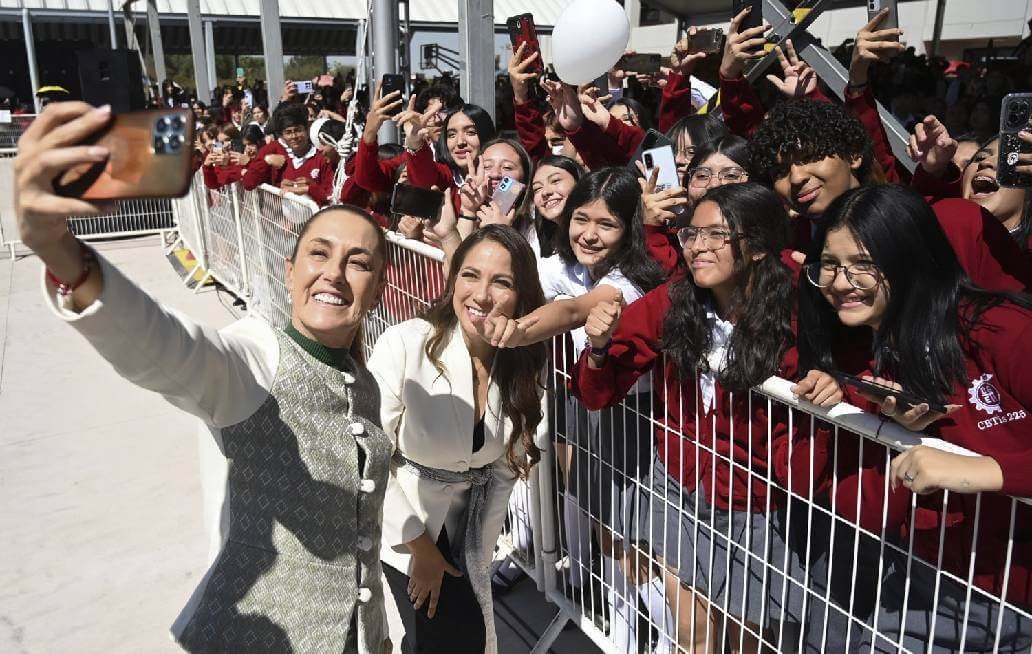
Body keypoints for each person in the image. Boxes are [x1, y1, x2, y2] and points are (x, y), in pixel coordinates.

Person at [14, 101, 395, 653]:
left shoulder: (364, 381)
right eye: (319, 253)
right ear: (289, 272)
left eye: (359, 262)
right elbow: (168, 348)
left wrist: (374, 636)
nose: (334, 272)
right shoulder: (254, 357)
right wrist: (64, 256)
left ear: (379, 288)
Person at [572, 182, 841, 653]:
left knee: (747, 641)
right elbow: (597, 392)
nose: (697, 247)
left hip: (758, 504)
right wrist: (597, 348)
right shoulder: (675, 299)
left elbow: (851, 372)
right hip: (679, 485)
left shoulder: (801, 308)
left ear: (756, 245)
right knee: (693, 636)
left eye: (715, 235)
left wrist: (836, 385)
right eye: (691, 234)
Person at [797, 184, 1032, 653]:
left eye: (863, 264)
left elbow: (972, 461)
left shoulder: (1001, 328)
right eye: (830, 264)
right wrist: (874, 417)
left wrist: (987, 471)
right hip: (930, 582)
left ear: (909, 257)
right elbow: (861, 506)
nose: (841, 282)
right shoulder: (882, 356)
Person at [369, 225, 548, 654]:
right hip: (408, 523)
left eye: (501, 282)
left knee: (458, 639)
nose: (481, 295)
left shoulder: (522, 364)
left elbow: (504, 468)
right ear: (453, 280)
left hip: (471, 532)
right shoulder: (408, 343)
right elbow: (370, 453)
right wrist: (421, 549)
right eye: (470, 275)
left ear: (522, 293)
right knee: (444, 639)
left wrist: (479, 555)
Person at [243, 101, 335, 206]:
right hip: (281, 219)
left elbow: (330, 195)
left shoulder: (322, 156)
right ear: (281, 134)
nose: (294, 136)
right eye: (288, 132)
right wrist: (266, 161)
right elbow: (248, 183)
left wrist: (310, 188)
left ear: (307, 129)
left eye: (298, 130)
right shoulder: (270, 150)